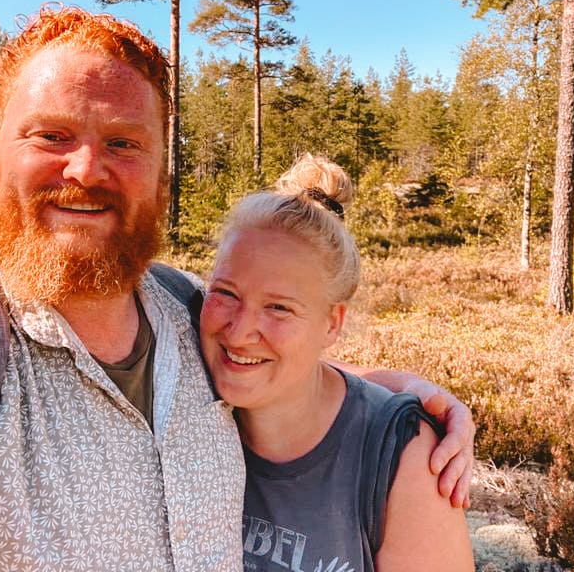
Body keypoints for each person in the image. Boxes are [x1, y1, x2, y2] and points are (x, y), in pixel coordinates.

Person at [0, 5, 474, 571]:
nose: (87, 169)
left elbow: (274, 358)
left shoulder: (186, 310)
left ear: (159, 176)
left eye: (124, 143)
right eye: (51, 135)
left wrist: (399, 396)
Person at [200, 154, 474, 572]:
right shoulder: (185, 376)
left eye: (278, 308)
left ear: (332, 324)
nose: (238, 333)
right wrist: (407, 382)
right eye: (226, 293)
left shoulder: (401, 459)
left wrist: (410, 398)